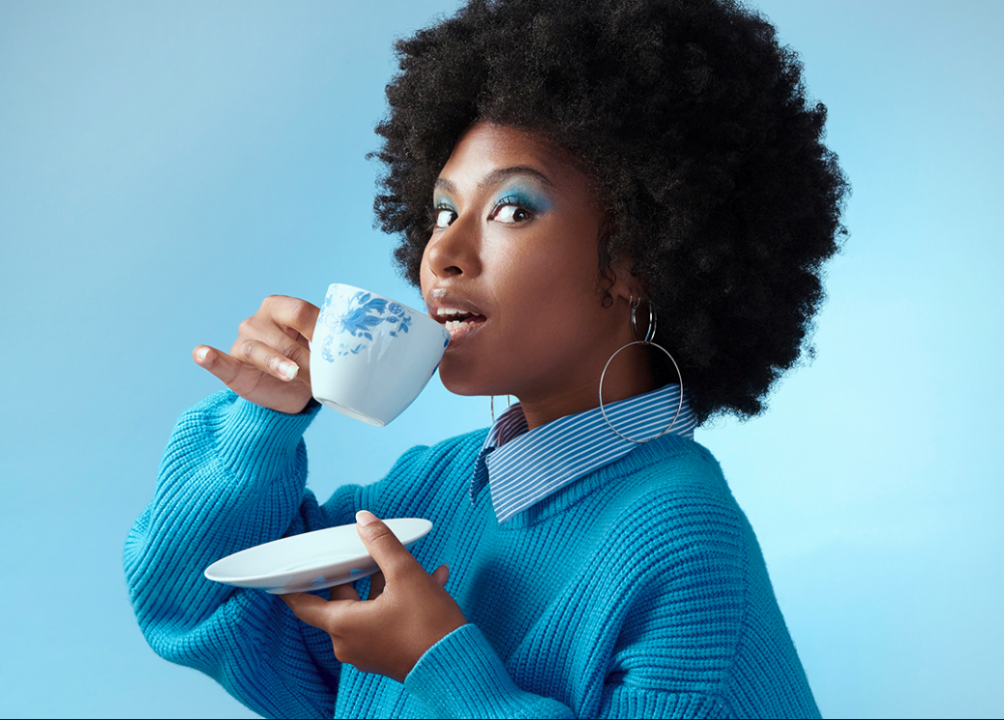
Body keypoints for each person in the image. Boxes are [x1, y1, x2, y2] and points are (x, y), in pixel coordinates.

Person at [124, 0, 847, 717]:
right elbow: (192, 600)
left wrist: (440, 669)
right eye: (442, 212)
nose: (441, 252)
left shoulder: (683, 546)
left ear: (638, 257)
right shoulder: (433, 491)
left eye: (511, 210)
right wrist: (260, 423)